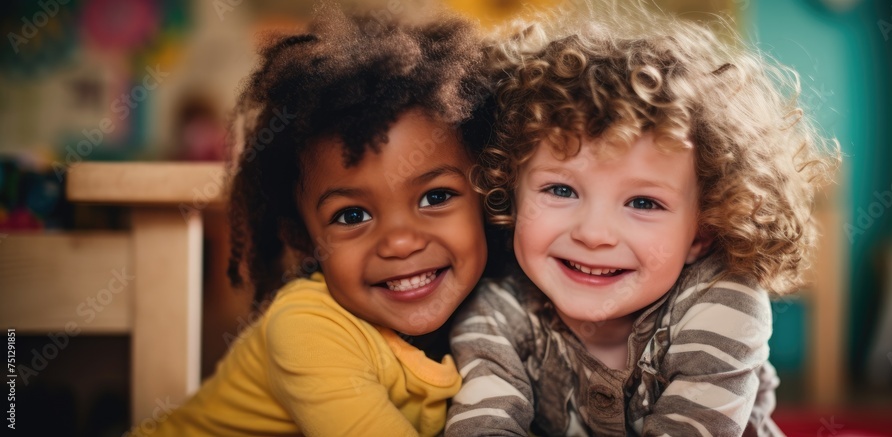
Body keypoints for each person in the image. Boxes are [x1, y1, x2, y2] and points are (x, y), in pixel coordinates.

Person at [445, 7, 839, 437]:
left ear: (703, 229)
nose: (593, 234)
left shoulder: (722, 302)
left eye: (644, 203)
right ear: (510, 193)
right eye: (561, 190)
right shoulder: (495, 310)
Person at [140, 6, 493, 437]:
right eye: (352, 215)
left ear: (488, 194)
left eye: (435, 197)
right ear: (304, 239)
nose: (400, 243)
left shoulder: (497, 307)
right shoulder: (307, 328)